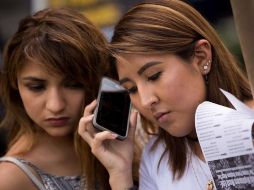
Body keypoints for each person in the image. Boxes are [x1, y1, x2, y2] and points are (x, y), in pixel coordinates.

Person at [78, 0, 254, 190]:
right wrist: (120, 174)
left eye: (154, 76)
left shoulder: (248, 124)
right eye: (131, 89)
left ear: (201, 57)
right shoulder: (157, 157)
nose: (145, 101)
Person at [0, 7, 113, 190]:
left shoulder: (127, 144)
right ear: (15, 85)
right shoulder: (10, 179)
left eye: (73, 84)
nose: (56, 105)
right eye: (36, 87)